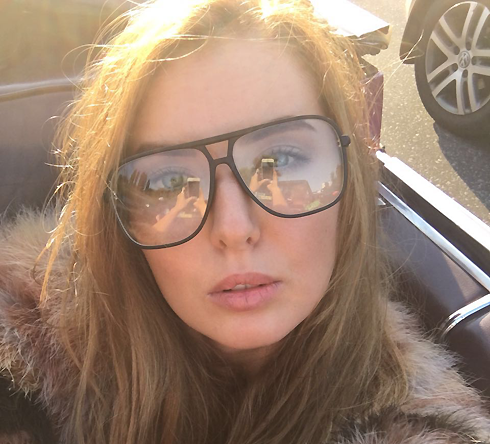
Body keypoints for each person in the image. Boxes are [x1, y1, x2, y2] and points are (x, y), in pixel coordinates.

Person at [1, 1, 489, 443]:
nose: (233, 229)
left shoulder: (424, 427)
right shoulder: (23, 344)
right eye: (169, 180)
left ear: (351, 177)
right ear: (117, 218)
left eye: (280, 160)